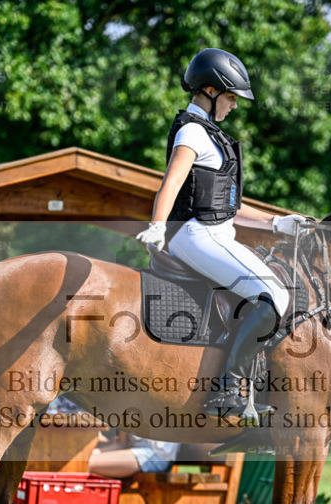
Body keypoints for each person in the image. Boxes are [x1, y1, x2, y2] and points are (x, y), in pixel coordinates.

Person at [135, 48, 310, 425]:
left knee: (273, 291)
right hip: (194, 235)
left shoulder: (212, 136)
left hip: (215, 232)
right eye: (231, 97)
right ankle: (227, 390)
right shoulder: (193, 132)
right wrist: (157, 224)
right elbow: (170, 184)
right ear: (211, 91)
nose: (233, 106)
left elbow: (228, 205)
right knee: (274, 296)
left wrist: (276, 222)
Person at [88, 431, 182, 478]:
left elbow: (122, 443)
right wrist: (96, 451)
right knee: (82, 459)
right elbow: (121, 442)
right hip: (137, 450)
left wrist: (96, 452)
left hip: (155, 455)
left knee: (87, 464)